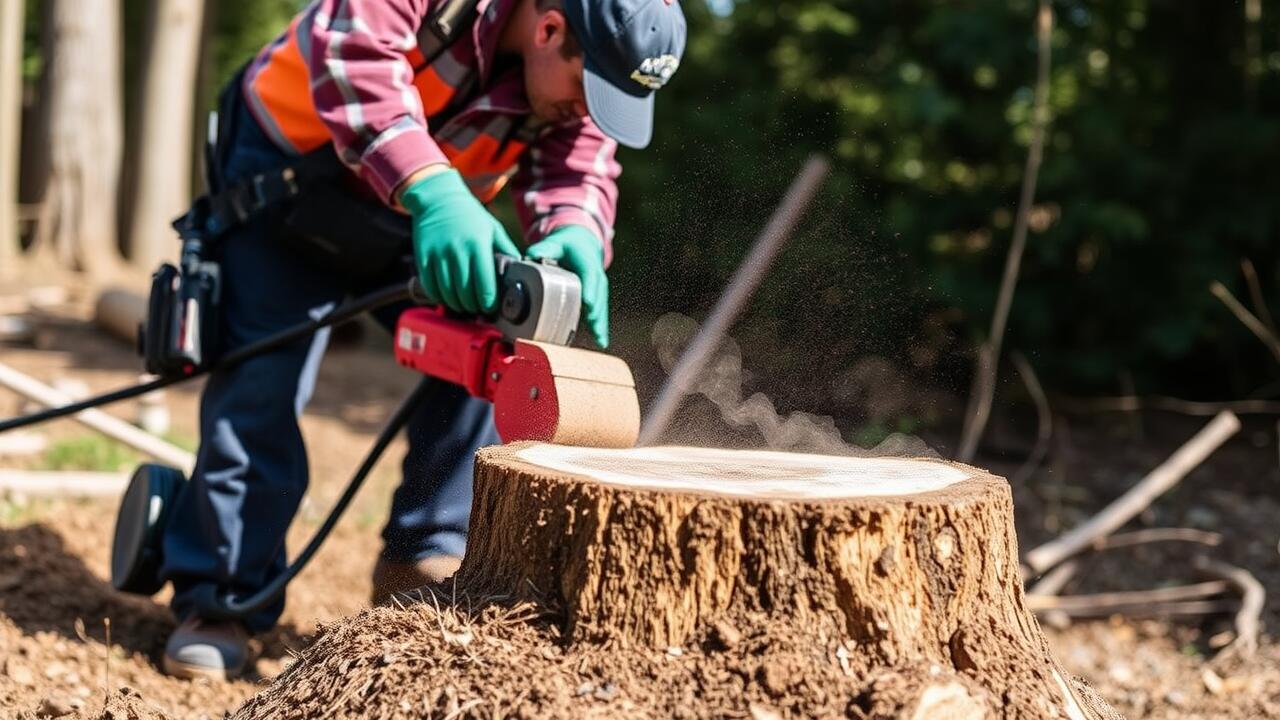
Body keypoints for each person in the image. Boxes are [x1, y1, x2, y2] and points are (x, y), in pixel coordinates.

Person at [158, 0, 686, 681]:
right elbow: (354, 54)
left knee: (485, 346)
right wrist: (434, 190)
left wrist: (577, 229)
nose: (589, 112)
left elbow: (577, 170)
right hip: (286, 183)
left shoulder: (568, 86)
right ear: (551, 31)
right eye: (591, 90)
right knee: (264, 379)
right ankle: (221, 600)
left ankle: (420, 554)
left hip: (412, 205)